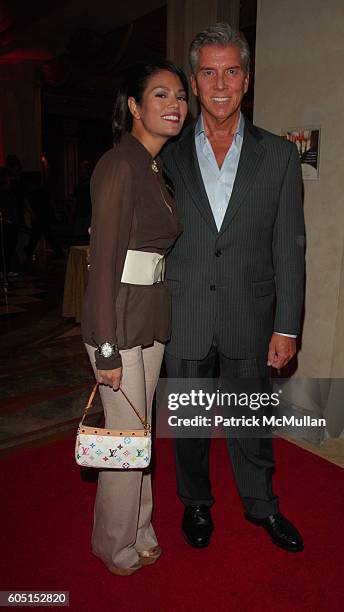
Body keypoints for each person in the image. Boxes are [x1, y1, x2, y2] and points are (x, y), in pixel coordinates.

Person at [161, 24, 305, 552]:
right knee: (191, 426)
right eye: (208, 72)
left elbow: (290, 247)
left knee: (252, 424)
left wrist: (286, 326)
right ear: (194, 84)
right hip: (186, 313)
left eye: (231, 71)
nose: (220, 83)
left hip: (252, 314)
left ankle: (262, 506)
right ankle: (196, 502)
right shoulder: (167, 155)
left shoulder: (280, 156)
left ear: (246, 80)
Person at [81, 61, 188, 575]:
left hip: (148, 318)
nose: (175, 105)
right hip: (118, 323)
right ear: (134, 107)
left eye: (181, 97)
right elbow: (103, 260)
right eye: (162, 95)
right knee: (124, 441)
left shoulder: (151, 167)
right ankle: (113, 544)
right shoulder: (120, 164)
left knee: (139, 437)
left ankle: (141, 528)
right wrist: (104, 345)